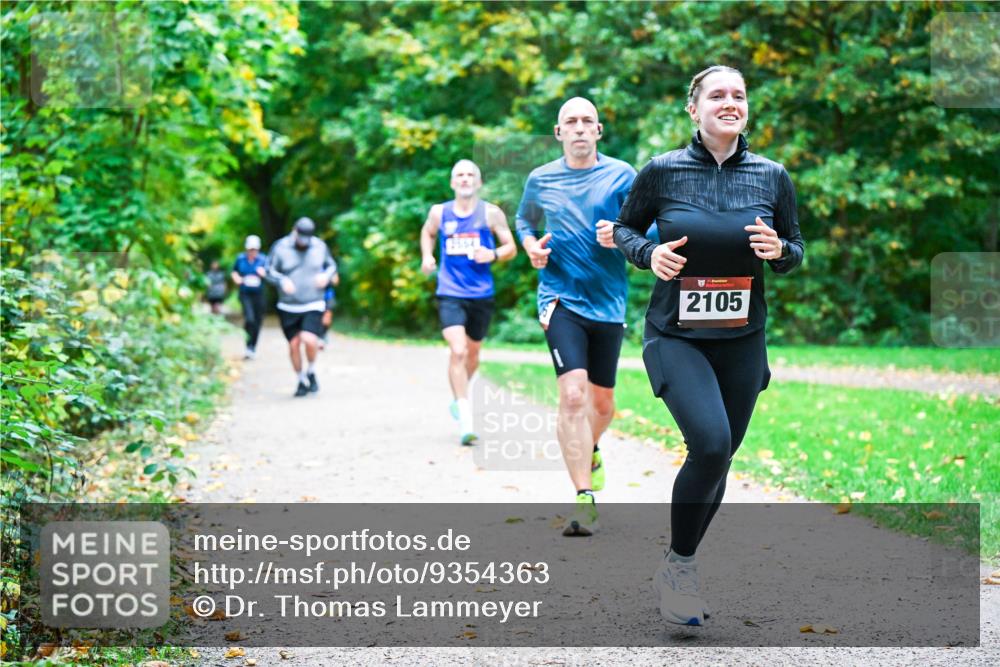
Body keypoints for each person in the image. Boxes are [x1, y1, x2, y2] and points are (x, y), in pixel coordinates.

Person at [611, 65, 804, 626]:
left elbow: (795, 249)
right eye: (717, 95)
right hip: (676, 335)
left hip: (743, 340)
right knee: (712, 444)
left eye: (738, 95)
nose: (730, 102)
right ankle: (683, 570)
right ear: (693, 109)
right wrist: (650, 254)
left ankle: (678, 560)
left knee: (721, 457)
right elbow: (625, 229)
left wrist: (778, 251)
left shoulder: (772, 176)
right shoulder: (663, 170)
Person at [515, 97, 637, 536]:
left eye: (588, 121)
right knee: (572, 396)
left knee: (602, 404)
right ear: (558, 131)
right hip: (559, 299)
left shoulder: (623, 175)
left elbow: (654, 228)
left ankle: (593, 445)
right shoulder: (541, 178)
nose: (580, 128)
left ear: (599, 131)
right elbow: (524, 221)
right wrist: (530, 247)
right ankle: (584, 499)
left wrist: (622, 235)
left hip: (608, 303)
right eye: (572, 121)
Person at [420, 159, 516, 445]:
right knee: (458, 351)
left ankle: (457, 396)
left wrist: (494, 254)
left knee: (473, 355)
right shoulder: (440, 212)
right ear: (452, 182)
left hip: (481, 294)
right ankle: (465, 415)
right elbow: (427, 232)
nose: (464, 179)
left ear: (478, 182)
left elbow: (511, 247)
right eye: (459, 175)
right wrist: (427, 256)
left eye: (469, 175)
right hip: (450, 291)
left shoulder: (491, 213)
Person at [266, 218, 338, 397]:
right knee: (294, 345)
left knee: (309, 339)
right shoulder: (280, 247)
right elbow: (268, 270)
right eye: (301, 238)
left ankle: (311, 370)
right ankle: (301, 380)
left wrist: (326, 276)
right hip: (288, 305)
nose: (304, 243)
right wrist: (282, 280)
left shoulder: (319, 246)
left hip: (313, 302)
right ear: (294, 231)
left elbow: (331, 266)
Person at [231, 235, 268, 359]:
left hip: (259, 294)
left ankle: (252, 346)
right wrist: (237, 278)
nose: (252, 252)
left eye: (255, 250)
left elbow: (271, 273)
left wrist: (264, 274)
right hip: (245, 293)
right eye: (250, 249)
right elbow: (234, 271)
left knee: (258, 320)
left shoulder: (263, 259)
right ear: (247, 249)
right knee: (250, 319)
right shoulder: (240, 259)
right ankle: (247, 344)